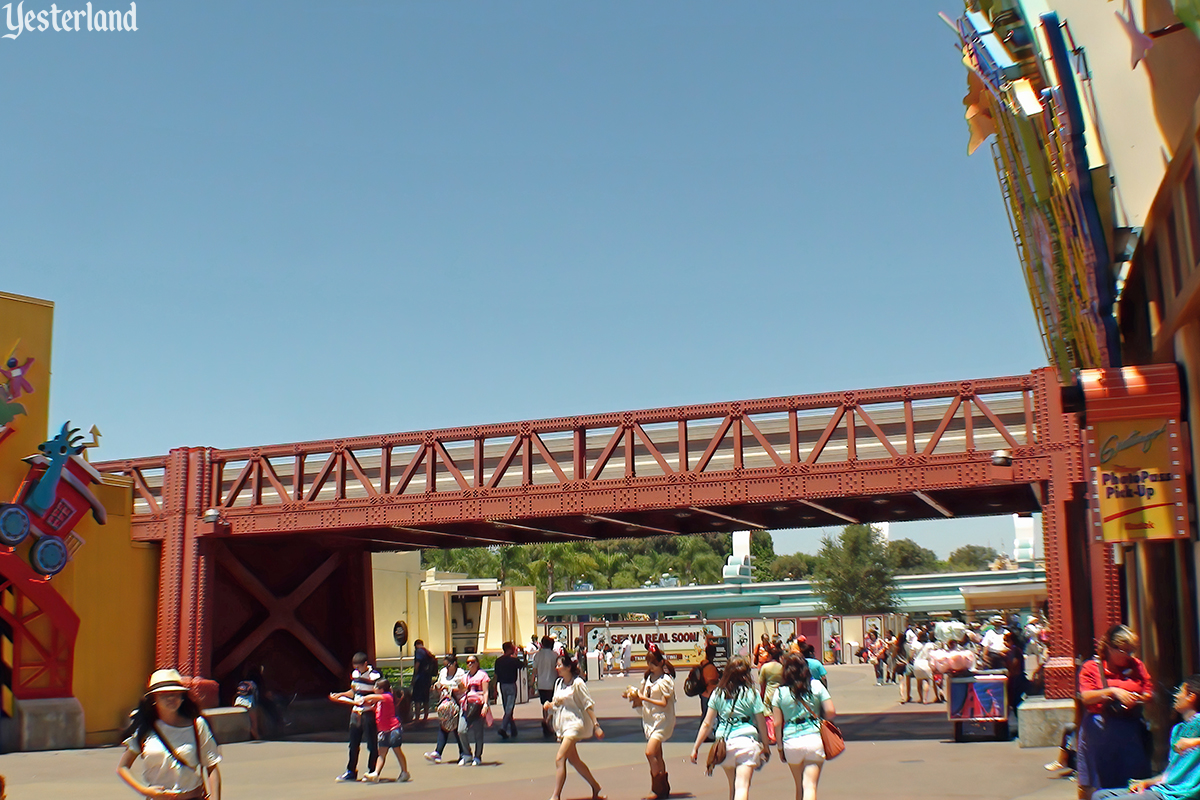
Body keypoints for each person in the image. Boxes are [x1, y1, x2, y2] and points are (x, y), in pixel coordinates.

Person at [118, 669, 222, 800]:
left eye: (176, 694)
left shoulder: (197, 725)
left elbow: (211, 767)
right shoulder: (146, 728)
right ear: (153, 699)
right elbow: (122, 767)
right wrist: (144, 790)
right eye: (164, 694)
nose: (171, 698)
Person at [1077, 625, 1154, 800]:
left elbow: (1148, 692)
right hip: (1101, 732)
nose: (1128, 655)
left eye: (1131, 650)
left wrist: (1138, 698)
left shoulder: (1137, 665)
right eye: (1123, 650)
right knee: (1099, 782)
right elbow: (1086, 697)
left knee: (1133, 780)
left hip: (1130, 730)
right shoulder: (1091, 667)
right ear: (1110, 648)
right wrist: (1112, 692)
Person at [1093, 675, 1200, 800]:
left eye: (1179, 691)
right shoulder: (1178, 730)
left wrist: (1194, 742)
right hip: (1163, 789)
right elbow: (1170, 773)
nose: (1175, 696)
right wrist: (1146, 782)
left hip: (1179, 794)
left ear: (1191, 697)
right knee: (1099, 795)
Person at [689, 656, 770, 800]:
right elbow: (761, 722)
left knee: (733, 787)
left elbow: (707, 723)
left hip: (725, 745)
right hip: (746, 742)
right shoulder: (752, 693)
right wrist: (766, 745)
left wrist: (696, 747)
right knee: (742, 786)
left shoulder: (718, 693)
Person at [773, 653, 835, 800]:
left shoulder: (780, 692)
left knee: (799, 786)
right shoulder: (816, 686)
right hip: (813, 738)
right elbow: (831, 711)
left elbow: (776, 723)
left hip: (791, 741)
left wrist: (780, 748)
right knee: (810, 786)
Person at [545, 654, 605, 800]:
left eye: (559, 665)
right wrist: (549, 708)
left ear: (568, 667)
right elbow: (556, 704)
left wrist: (596, 725)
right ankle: (595, 786)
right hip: (562, 725)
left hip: (575, 724)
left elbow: (587, 704)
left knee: (560, 758)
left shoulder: (577, 683)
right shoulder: (558, 683)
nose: (557, 668)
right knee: (574, 760)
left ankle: (555, 796)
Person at [627, 643, 677, 799]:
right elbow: (641, 696)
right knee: (657, 753)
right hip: (649, 719)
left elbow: (664, 703)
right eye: (649, 663)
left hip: (662, 720)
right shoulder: (648, 678)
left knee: (649, 752)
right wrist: (633, 696)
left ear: (661, 662)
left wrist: (644, 698)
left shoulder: (665, 680)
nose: (651, 666)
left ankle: (656, 787)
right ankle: (663, 786)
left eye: (654, 663)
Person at [328, 651, 380, 782]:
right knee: (353, 743)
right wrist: (340, 695)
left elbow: (379, 693)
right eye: (355, 667)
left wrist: (369, 700)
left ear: (365, 664)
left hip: (368, 712)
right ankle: (351, 771)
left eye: (359, 666)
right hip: (356, 711)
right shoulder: (355, 674)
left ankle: (372, 771)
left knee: (372, 744)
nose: (356, 669)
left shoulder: (375, 676)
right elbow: (354, 691)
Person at [357, 678, 410, 783]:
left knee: (397, 750)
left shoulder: (387, 696)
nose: (374, 688)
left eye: (376, 686)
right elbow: (372, 705)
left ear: (381, 689)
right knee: (381, 753)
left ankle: (405, 772)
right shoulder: (379, 701)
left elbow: (372, 697)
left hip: (393, 728)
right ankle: (376, 773)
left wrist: (363, 698)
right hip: (383, 730)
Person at [424, 654, 468, 764]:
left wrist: (449, 688)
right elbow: (439, 683)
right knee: (444, 726)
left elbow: (463, 689)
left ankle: (463, 753)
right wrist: (437, 687)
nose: (446, 668)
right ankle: (438, 752)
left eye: (448, 665)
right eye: (445, 665)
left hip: (456, 703)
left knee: (455, 728)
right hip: (445, 703)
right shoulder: (443, 672)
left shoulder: (460, 673)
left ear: (454, 664)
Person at [459, 654, 491, 766]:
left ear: (477, 663)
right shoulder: (465, 676)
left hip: (478, 705)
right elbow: (462, 690)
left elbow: (486, 691)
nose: (470, 664)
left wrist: (486, 704)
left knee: (478, 733)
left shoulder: (483, 675)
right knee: (461, 730)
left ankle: (478, 756)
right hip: (467, 706)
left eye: (472, 662)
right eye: (468, 662)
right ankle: (467, 754)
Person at [535, 635, 561, 737]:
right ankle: (549, 722)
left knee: (544, 705)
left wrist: (532, 684)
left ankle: (546, 720)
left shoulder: (537, 655)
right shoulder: (554, 655)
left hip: (541, 683)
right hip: (552, 683)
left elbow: (534, 671)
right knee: (553, 704)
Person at [495, 641, 522, 739]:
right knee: (509, 708)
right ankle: (503, 728)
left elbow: (495, 675)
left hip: (502, 685)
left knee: (507, 707)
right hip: (511, 685)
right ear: (510, 649)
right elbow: (524, 665)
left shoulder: (499, 661)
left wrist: (494, 688)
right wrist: (521, 654)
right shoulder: (513, 660)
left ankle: (513, 728)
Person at [759, 644, 784, 743]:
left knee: (769, 715)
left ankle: (772, 735)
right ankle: (780, 734)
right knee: (780, 713)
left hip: (769, 692)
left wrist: (762, 693)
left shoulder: (765, 667)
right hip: (780, 692)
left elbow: (762, 682)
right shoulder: (782, 667)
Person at [411, 639, 436, 724]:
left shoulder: (419, 652)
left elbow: (417, 665)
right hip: (427, 678)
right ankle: (425, 717)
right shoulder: (427, 652)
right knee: (425, 698)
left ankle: (417, 718)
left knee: (417, 699)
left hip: (419, 678)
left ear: (416, 645)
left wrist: (414, 677)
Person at [700, 642, 722, 724]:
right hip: (709, 694)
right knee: (709, 716)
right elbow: (711, 680)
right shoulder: (710, 667)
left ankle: (705, 733)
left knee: (706, 716)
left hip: (703, 693)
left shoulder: (703, 664)